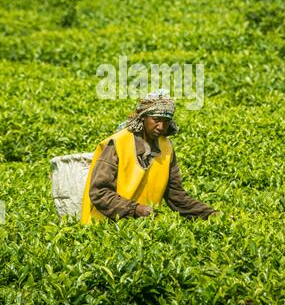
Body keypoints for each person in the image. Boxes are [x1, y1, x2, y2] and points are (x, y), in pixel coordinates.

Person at [81, 90, 219, 224]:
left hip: (142, 227)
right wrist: (135, 209)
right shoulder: (118, 143)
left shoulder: (166, 147)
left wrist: (211, 215)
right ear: (143, 117)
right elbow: (99, 192)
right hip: (103, 225)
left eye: (166, 121)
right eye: (156, 120)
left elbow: (177, 197)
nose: (161, 126)